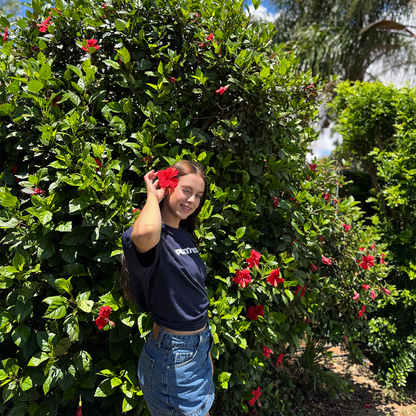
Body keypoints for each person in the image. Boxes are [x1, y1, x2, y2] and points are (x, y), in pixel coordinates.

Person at [121, 160, 214, 416]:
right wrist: (153, 195)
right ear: (168, 186)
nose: (192, 200)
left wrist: (204, 352)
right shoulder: (152, 237)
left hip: (197, 348)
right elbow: (144, 232)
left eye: (198, 195)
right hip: (173, 356)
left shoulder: (183, 234)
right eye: (186, 190)